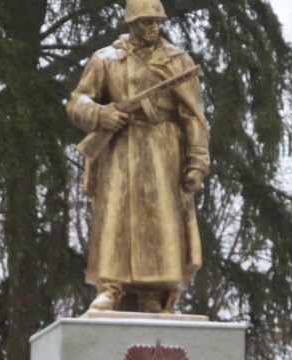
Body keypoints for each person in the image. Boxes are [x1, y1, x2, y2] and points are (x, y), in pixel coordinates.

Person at [66, 0, 209, 314]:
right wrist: (101, 115)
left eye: (156, 21)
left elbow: (193, 116)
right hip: (119, 148)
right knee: (116, 216)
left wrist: (197, 161)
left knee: (161, 223)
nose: (152, 27)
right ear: (131, 22)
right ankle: (111, 289)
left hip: (165, 151)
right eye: (145, 21)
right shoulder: (105, 59)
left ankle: (152, 293)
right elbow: (77, 102)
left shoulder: (178, 61)